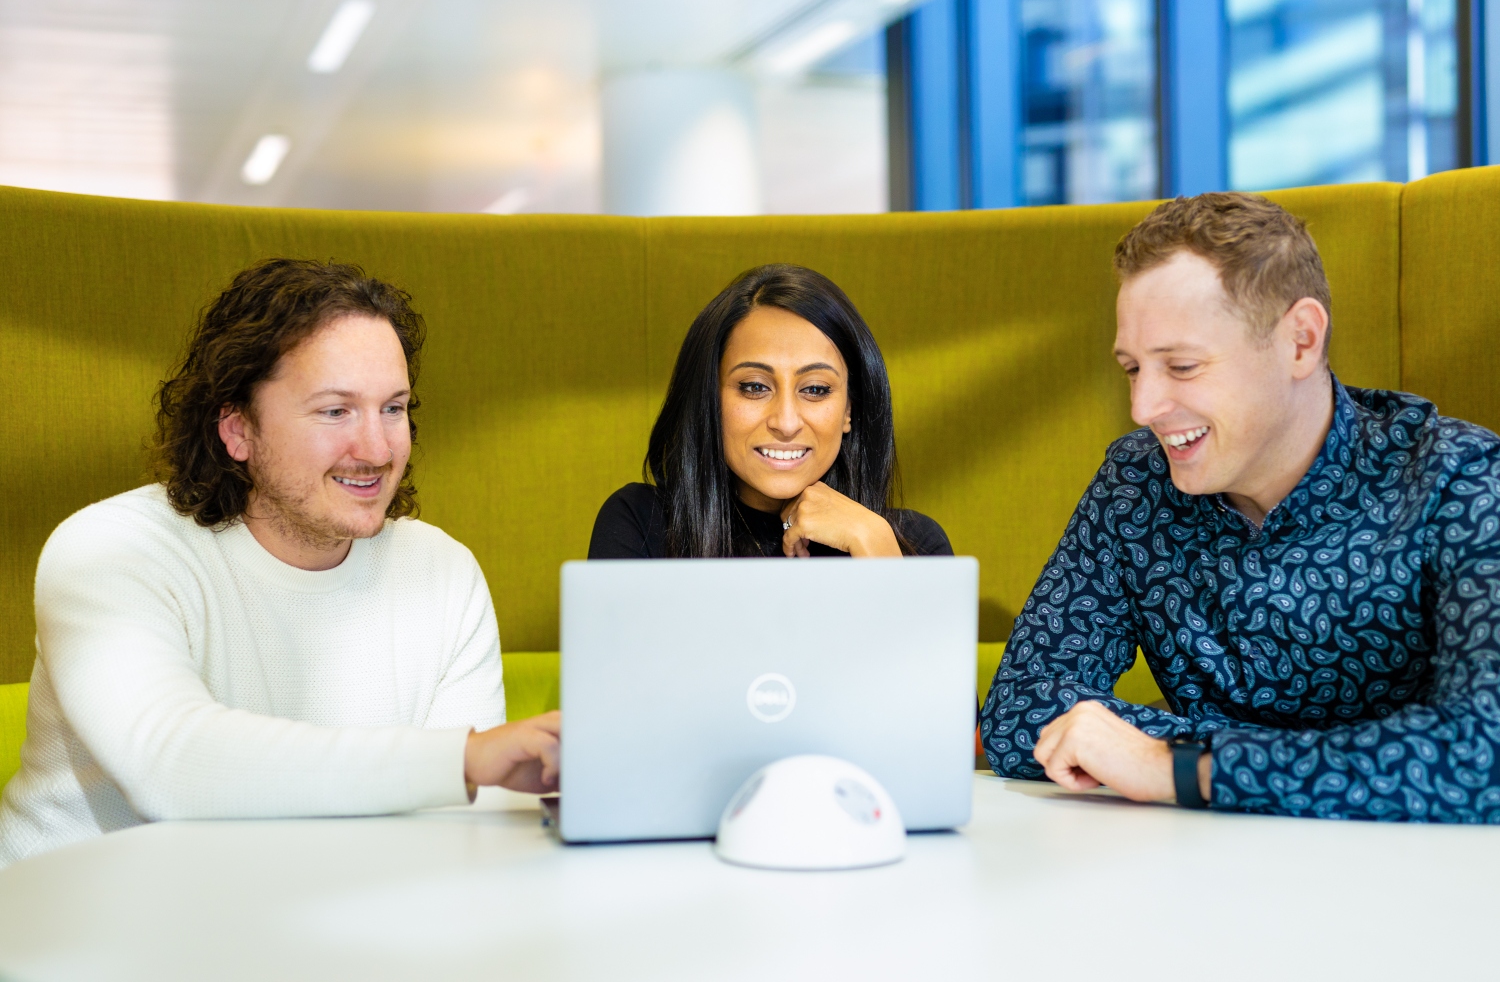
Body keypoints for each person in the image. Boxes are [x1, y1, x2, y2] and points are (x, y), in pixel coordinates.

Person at [0, 259, 560, 866]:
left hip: (321, 929)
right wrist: (464, 759)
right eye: (335, 411)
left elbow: (457, 832)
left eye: (393, 408)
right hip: (79, 931)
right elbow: (172, 765)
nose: (376, 449)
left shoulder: (441, 571)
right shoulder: (110, 549)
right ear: (238, 429)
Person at [981, 192, 1500, 822]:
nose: (1144, 407)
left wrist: (1173, 768)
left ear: (1300, 341)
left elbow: (1481, 751)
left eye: (1182, 365)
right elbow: (1020, 711)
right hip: (1196, 884)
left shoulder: (1460, 479)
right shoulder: (1135, 483)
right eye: (1132, 369)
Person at [589, 263, 952, 560]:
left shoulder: (914, 544)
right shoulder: (640, 523)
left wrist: (876, 549)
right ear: (709, 400)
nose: (786, 422)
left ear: (848, 410)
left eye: (815, 389)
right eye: (754, 387)